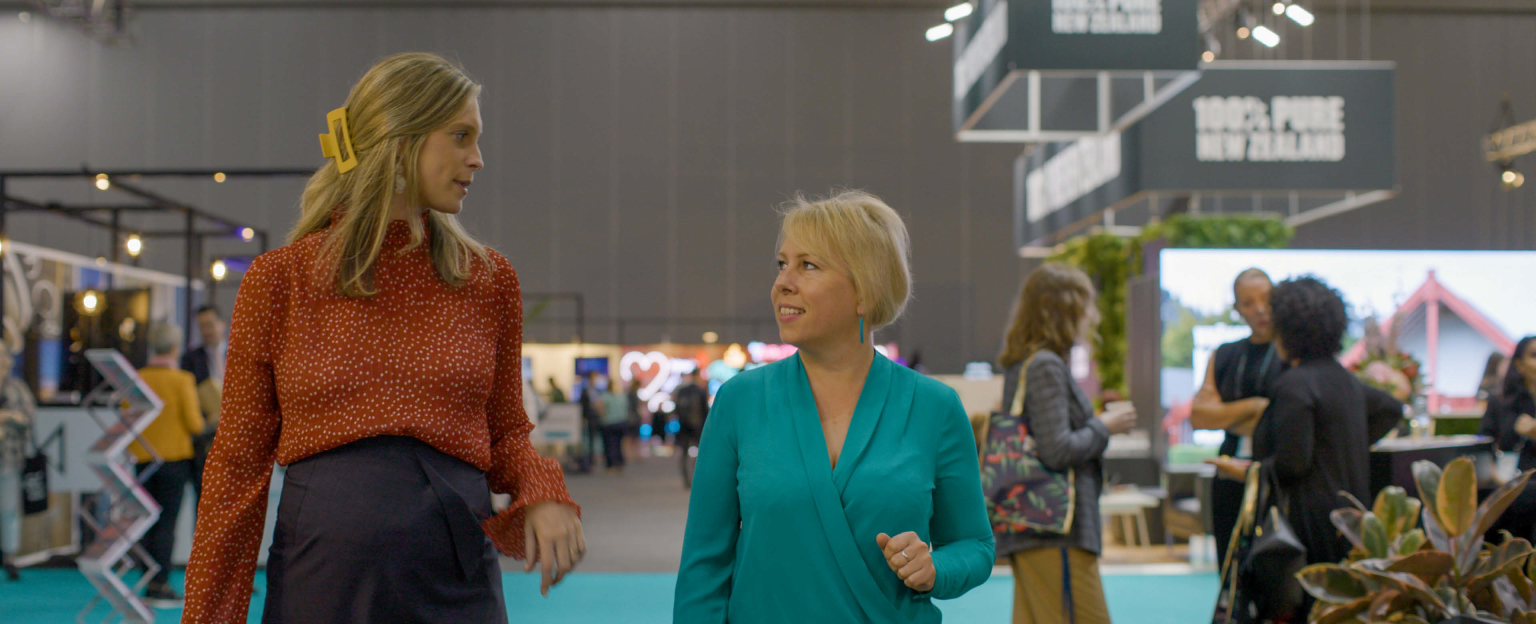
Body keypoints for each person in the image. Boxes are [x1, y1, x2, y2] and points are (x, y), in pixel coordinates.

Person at [184, 53, 584, 623]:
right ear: (402, 140)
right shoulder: (281, 280)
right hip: (322, 577)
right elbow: (236, 468)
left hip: (456, 576)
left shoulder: (489, 279)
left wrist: (543, 490)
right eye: (461, 136)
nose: (478, 158)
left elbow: (505, 433)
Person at [674, 191, 994, 622]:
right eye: (782, 263)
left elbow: (975, 545)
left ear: (866, 291)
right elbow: (703, 567)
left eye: (808, 265)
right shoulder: (739, 402)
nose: (783, 282)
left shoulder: (934, 407)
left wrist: (935, 568)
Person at [1252, 277, 1403, 617]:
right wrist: (1344, 443)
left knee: (1310, 609)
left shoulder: (1294, 384)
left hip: (1310, 524)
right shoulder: (1344, 379)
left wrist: (1250, 469)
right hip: (1352, 517)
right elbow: (1392, 408)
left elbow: (1293, 463)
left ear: (1286, 327)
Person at [996, 263, 1138, 624]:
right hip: (1057, 529)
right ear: (1066, 308)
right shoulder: (1045, 365)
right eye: (1087, 304)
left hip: (1039, 527)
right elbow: (1057, 450)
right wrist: (1104, 426)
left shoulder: (1029, 362)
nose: (1092, 315)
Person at [1193, 269, 1285, 566]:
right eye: (1248, 303)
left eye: (1266, 300)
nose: (1259, 309)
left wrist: (1226, 414)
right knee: (1230, 565)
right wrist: (1256, 407)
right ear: (1237, 309)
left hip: (1275, 473)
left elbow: (1283, 419)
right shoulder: (1226, 354)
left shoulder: (1291, 353)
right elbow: (1200, 416)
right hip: (1229, 474)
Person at [125, 322, 205, 607]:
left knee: (147, 520)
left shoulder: (136, 378)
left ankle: (148, 580)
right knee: (167, 523)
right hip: (174, 461)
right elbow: (195, 424)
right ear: (174, 348)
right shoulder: (182, 380)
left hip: (143, 459)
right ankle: (161, 584)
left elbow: (127, 415)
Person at [1481, 336, 1536, 542]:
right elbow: (1484, 442)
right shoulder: (1500, 402)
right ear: (1519, 364)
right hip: (1507, 478)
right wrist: (1495, 474)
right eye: (1534, 355)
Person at [181, 304, 226, 503]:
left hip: (237, 437)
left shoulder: (240, 353)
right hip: (206, 439)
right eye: (202, 327)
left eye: (209, 325)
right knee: (204, 501)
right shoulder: (190, 359)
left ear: (221, 325)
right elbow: (187, 398)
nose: (206, 331)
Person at [0, 347, 35, 582]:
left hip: (9, 458)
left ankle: (10, 557)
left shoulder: (17, 389)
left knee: (9, 510)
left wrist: (8, 417)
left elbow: (29, 417)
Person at [599, 377, 630, 473]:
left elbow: (600, 409)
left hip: (609, 423)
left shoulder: (605, 396)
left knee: (609, 445)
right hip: (621, 423)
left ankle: (611, 465)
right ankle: (619, 463)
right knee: (618, 444)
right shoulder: (621, 396)